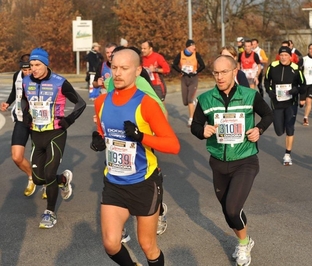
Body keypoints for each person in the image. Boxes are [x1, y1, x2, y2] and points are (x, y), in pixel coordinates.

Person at [90, 48, 180, 266]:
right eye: (114, 67)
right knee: (111, 243)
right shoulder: (101, 102)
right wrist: (98, 141)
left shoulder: (146, 103)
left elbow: (173, 145)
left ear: (138, 71)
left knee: (147, 246)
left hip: (143, 182)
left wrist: (141, 136)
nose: (118, 73)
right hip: (114, 182)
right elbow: (106, 135)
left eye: (124, 68)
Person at [191, 55, 273, 266]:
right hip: (218, 162)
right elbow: (196, 126)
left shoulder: (249, 95)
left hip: (245, 160)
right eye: (216, 73)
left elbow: (268, 114)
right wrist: (203, 130)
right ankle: (244, 236)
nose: (219, 77)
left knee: (232, 210)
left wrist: (259, 129)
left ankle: (244, 244)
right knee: (229, 212)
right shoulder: (206, 99)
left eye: (224, 72)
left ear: (234, 72)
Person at [22, 47, 86, 228]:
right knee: (37, 179)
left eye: (37, 65)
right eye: (32, 65)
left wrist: (69, 120)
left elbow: (80, 103)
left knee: (49, 173)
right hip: (36, 133)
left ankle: (49, 213)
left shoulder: (60, 82)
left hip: (55, 133)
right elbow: (24, 99)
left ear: (46, 64)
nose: (33, 68)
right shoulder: (27, 81)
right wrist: (26, 112)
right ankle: (62, 180)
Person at [1, 54, 41, 197]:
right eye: (24, 70)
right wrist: (8, 102)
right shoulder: (17, 76)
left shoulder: (42, 77)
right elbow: (15, 91)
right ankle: (32, 177)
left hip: (39, 121)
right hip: (21, 118)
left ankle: (49, 184)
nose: (28, 73)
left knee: (41, 157)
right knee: (17, 157)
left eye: (29, 69)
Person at [264, 46, 305, 166]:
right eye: (281, 55)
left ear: (290, 56)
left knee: (290, 127)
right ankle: (282, 132)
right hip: (276, 103)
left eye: (286, 55)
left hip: (290, 103)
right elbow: (266, 81)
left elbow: (303, 85)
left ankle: (287, 154)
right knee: (278, 131)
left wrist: (295, 91)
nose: (283, 57)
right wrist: (269, 91)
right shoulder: (273, 66)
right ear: (279, 56)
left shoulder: (296, 68)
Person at [172, 39, 205, 127]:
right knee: (185, 101)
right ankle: (191, 103)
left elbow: (203, 65)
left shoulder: (196, 54)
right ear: (188, 46)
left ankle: (191, 119)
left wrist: (196, 72)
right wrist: (180, 71)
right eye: (192, 46)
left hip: (193, 78)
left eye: (194, 46)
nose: (194, 47)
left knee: (190, 99)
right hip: (184, 78)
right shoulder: (181, 54)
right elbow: (174, 64)